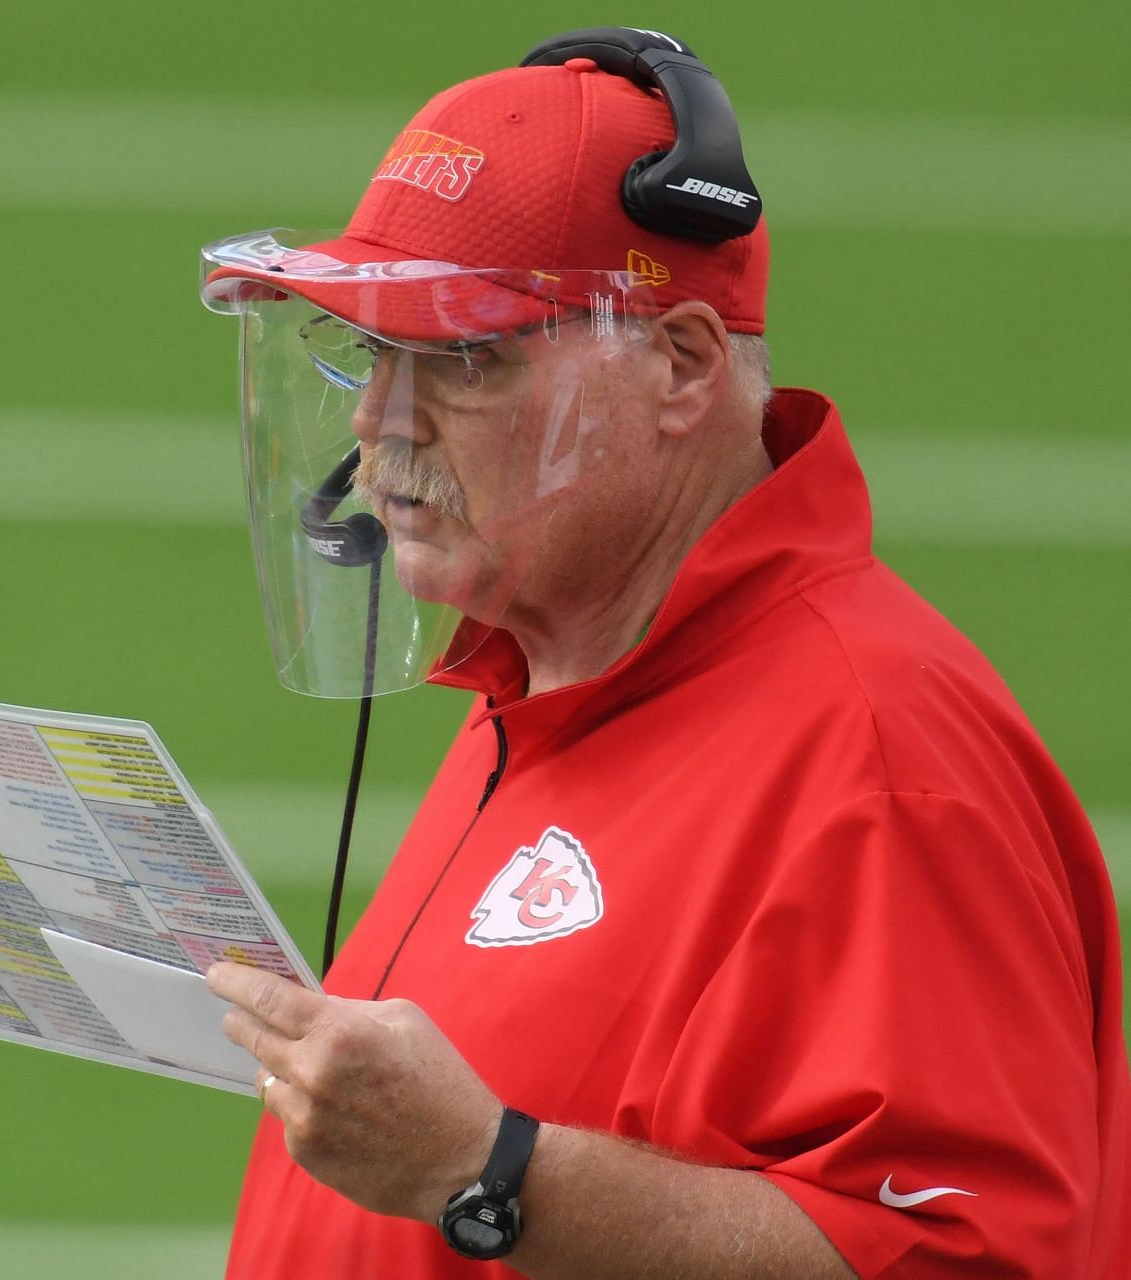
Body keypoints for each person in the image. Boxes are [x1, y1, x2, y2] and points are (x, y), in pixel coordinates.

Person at [194, 27, 1129, 1279]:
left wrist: (491, 1167)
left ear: (682, 365)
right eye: (375, 350)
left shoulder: (883, 759)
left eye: (461, 356)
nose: (378, 423)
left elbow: (968, 1259)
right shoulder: (557, 665)